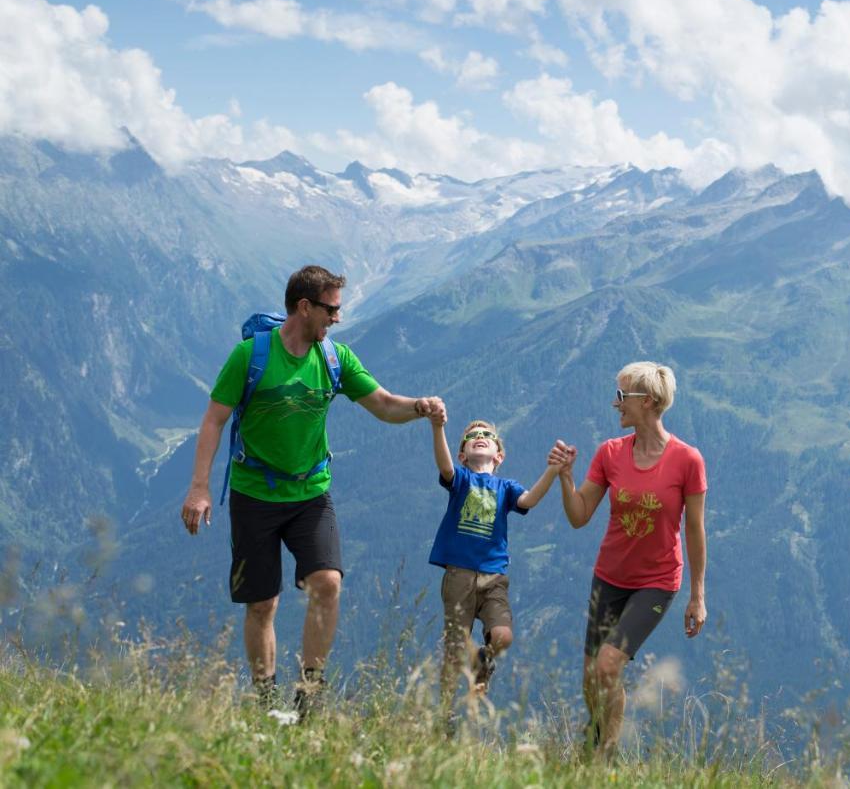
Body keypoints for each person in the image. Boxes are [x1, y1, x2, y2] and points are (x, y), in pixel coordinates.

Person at [180, 264, 434, 718]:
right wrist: (199, 488)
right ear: (304, 306)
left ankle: (309, 694)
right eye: (331, 309)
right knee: (262, 604)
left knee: (328, 583)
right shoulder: (250, 356)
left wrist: (419, 407)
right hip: (254, 493)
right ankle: (265, 701)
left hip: (310, 493)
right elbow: (214, 419)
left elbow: (382, 404)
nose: (337, 318)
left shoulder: (336, 359)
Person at [551, 361, 708, 760]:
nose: (615, 403)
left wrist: (697, 595)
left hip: (656, 581)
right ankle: (596, 742)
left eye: (622, 396)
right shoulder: (610, 453)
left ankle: (604, 755)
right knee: (591, 677)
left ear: (649, 402)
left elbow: (694, 530)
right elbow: (579, 515)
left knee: (607, 665)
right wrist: (566, 478)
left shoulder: (688, 460)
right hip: (609, 576)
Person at [422, 401, 560, 720]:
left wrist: (552, 471)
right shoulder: (460, 480)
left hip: (494, 577)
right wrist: (438, 426)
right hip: (459, 575)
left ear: (499, 455)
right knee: (455, 647)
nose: (480, 436)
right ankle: (444, 715)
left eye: (488, 435)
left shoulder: (506, 487)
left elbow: (529, 500)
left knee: (503, 636)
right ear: (462, 455)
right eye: (472, 436)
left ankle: (484, 660)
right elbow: (443, 466)